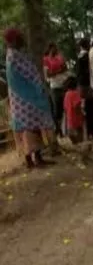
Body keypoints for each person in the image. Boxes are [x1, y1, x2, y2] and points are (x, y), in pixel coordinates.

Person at [5, 28, 56, 169]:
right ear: (14, 40)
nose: (23, 39)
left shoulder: (14, 55)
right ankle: (31, 160)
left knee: (32, 127)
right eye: (20, 37)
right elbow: (30, 74)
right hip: (24, 100)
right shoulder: (15, 57)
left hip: (23, 100)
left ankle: (37, 157)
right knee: (28, 129)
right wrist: (40, 87)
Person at [75, 38, 93, 141]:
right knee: (92, 108)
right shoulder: (86, 56)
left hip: (82, 86)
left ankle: (89, 133)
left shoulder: (79, 56)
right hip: (88, 86)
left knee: (86, 110)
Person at [43, 42, 68, 136]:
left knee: (65, 107)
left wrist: (57, 71)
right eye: (54, 48)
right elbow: (47, 74)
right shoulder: (46, 60)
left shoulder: (59, 57)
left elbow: (65, 68)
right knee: (57, 109)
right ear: (50, 49)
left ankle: (65, 128)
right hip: (54, 86)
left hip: (64, 84)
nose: (55, 50)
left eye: (56, 48)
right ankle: (58, 129)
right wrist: (59, 71)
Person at [63, 76, 85, 144]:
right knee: (79, 131)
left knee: (71, 133)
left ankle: (75, 143)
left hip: (69, 118)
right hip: (76, 117)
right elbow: (77, 105)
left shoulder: (66, 94)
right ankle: (81, 142)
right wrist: (82, 113)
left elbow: (65, 107)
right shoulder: (75, 94)